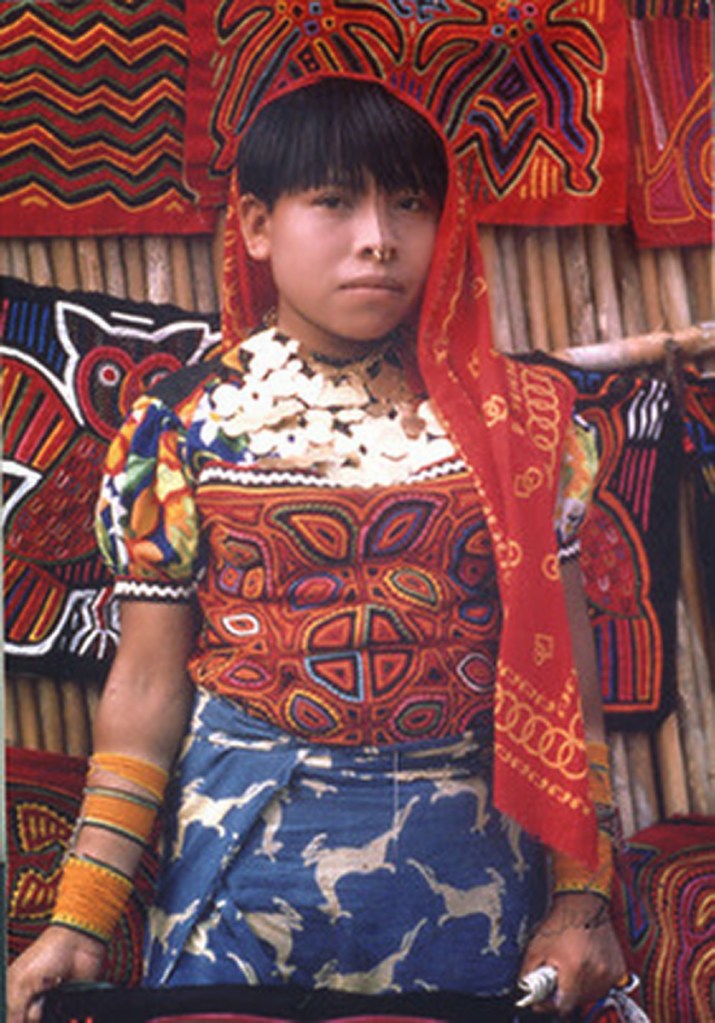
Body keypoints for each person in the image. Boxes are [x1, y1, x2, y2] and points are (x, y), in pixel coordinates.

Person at [8, 76, 627, 1023]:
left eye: (410, 203)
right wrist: (79, 916)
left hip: (470, 879)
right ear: (256, 225)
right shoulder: (179, 431)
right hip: (243, 872)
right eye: (333, 201)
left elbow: (564, 680)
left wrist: (582, 900)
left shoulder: (526, 429)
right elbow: (145, 687)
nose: (377, 237)